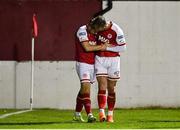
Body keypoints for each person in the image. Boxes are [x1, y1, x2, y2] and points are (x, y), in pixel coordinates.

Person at [73, 17, 107, 123]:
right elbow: (87, 47)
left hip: (92, 64)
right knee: (86, 89)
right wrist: (102, 47)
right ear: (94, 26)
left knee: (83, 90)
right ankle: (90, 115)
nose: (98, 32)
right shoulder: (82, 30)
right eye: (97, 29)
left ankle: (77, 114)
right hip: (82, 63)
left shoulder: (96, 33)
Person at [95, 16, 127, 123]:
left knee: (111, 88)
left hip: (113, 60)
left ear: (104, 26)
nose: (97, 31)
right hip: (100, 58)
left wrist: (107, 47)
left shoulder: (116, 30)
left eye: (99, 28)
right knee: (102, 86)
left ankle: (110, 114)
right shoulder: (96, 25)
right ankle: (101, 113)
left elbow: (123, 48)